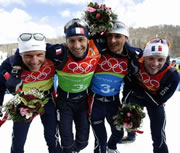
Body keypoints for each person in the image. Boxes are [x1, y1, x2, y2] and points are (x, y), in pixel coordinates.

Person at [45, 18, 106, 153]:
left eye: (81, 40)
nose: (77, 46)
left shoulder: (97, 47)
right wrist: (14, 72)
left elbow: (119, 43)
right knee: (66, 142)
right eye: (72, 41)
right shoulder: (58, 52)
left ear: (88, 39)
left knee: (83, 142)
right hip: (64, 102)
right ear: (66, 41)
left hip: (83, 102)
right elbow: (30, 48)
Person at [0, 33, 61, 153]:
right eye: (28, 56)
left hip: (47, 100)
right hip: (24, 102)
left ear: (45, 53)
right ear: (20, 54)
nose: (34, 61)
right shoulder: (10, 64)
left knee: (52, 136)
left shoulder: (53, 59)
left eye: (39, 55)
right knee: (18, 139)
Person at [88, 21, 143, 153]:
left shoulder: (131, 57)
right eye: (109, 36)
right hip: (95, 103)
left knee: (118, 134)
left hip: (113, 102)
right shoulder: (99, 52)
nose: (112, 40)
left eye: (118, 36)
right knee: (100, 140)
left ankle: (112, 148)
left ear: (126, 38)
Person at [122, 37, 179, 153]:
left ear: (166, 59)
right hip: (140, 96)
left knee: (158, 134)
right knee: (128, 115)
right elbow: (124, 45)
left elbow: (159, 100)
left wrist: (137, 89)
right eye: (151, 59)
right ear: (144, 58)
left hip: (154, 101)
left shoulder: (172, 75)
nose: (155, 64)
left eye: (160, 60)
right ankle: (131, 135)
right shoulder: (137, 63)